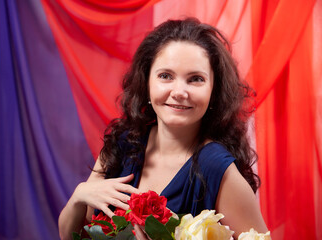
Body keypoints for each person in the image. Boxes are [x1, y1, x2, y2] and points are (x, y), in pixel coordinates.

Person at [58, 18, 268, 240]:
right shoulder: (123, 144)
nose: (179, 91)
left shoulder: (217, 170)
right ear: (146, 82)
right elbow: (70, 236)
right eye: (165, 76)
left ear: (213, 92)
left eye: (195, 79)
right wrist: (79, 195)